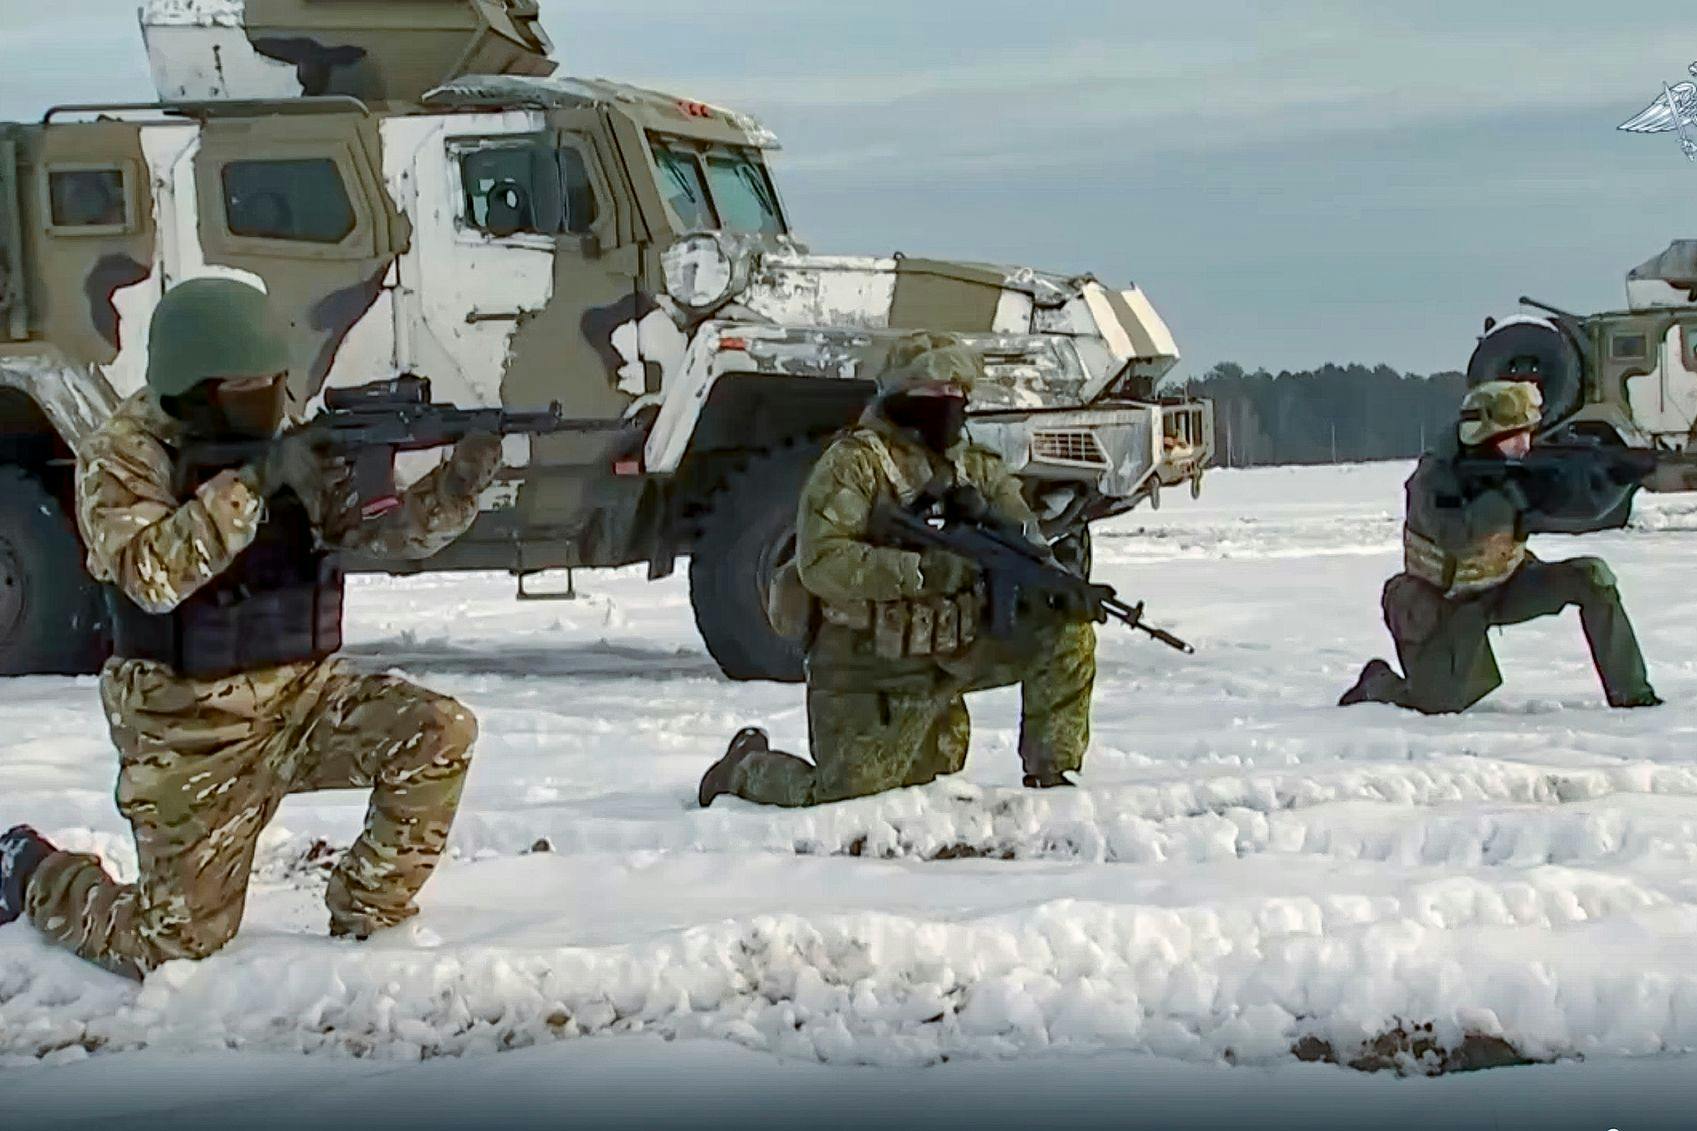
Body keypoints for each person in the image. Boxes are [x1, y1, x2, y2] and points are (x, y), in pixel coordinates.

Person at [0, 278, 503, 979]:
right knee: (173, 944)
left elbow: (377, 533)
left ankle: (367, 915)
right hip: (189, 726)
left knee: (439, 730)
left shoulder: (274, 435)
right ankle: (32, 871)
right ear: (194, 385)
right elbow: (150, 573)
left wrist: (455, 490)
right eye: (247, 383)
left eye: (274, 379)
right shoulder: (120, 455)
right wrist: (255, 484)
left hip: (301, 695)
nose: (268, 395)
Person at [697, 331, 1097, 808]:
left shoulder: (977, 469)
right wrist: (924, 572)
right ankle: (743, 769)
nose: (949, 405)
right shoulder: (855, 465)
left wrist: (1061, 583)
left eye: (957, 395)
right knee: (842, 795)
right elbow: (822, 562)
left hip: (953, 646)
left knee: (1066, 631)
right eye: (933, 394)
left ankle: (1051, 776)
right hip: (867, 657)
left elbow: (1024, 542)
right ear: (898, 395)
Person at [1339, 379, 1659, 714]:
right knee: (1437, 706)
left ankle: (1632, 694)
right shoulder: (1435, 478)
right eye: (1514, 437)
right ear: (1485, 437)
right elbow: (1454, 534)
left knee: (1592, 577)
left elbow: (1578, 515)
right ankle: (1377, 684)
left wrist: (1615, 480)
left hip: (1505, 584)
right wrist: (1510, 497)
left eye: (1528, 433)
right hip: (1443, 602)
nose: (1525, 445)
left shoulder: (1515, 469)